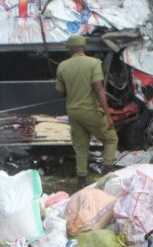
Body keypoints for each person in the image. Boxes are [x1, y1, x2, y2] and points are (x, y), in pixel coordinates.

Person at [56, 35, 118, 188]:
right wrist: (108, 115)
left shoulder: (62, 66)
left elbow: (60, 93)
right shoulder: (93, 63)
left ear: (71, 48)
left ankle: (82, 182)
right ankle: (106, 176)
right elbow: (99, 89)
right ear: (83, 47)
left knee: (81, 147)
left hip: (73, 112)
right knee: (111, 139)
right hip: (90, 110)